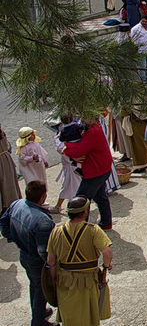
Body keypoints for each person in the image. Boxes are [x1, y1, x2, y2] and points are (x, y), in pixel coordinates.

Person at [46, 196, 113, 326]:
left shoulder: (56, 231)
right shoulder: (93, 230)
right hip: (88, 281)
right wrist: (106, 267)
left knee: (70, 318)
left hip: (65, 281)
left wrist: (53, 281)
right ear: (84, 212)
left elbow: (50, 261)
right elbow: (107, 252)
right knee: (90, 318)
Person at [0, 180, 55, 326]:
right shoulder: (42, 221)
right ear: (43, 197)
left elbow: (3, 223)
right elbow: (44, 252)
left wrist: (13, 238)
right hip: (36, 260)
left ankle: (40, 312)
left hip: (24, 255)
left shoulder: (17, 204)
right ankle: (38, 321)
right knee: (42, 289)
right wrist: (52, 267)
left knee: (35, 286)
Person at [61, 119, 114, 231]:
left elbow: (78, 151)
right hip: (101, 168)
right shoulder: (94, 128)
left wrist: (66, 150)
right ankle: (106, 222)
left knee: (81, 199)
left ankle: (80, 229)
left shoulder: (92, 131)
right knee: (100, 196)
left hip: (95, 171)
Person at [0, 124, 22, 212]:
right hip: (6, 161)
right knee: (9, 184)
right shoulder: (2, 134)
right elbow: (9, 147)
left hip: (3, 162)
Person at [130, 15, 147, 83]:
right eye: (143, 21)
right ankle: (143, 81)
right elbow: (132, 39)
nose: (144, 23)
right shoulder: (136, 29)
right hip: (141, 51)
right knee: (142, 67)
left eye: (146, 22)